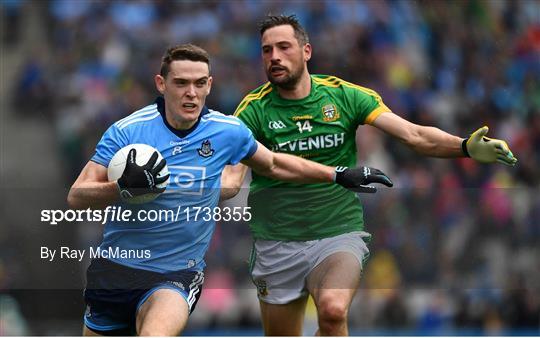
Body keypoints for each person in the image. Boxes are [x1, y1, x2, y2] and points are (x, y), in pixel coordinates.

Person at [67, 43, 392, 336]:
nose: (190, 93)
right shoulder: (126, 132)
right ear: (161, 85)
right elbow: (77, 195)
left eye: (199, 83)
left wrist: (337, 174)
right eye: (181, 83)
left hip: (176, 274)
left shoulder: (228, 132)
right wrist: (123, 187)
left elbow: (275, 163)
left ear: (209, 85)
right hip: (117, 269)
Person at [224, 15, 518, 336]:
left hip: (337, 232)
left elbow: (414, 135)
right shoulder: (251, 110)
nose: (275, 57)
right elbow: (232, 177)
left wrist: (464, 147)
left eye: (284, 47)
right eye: (267, 50)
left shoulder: (344, 96)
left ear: (307, 51)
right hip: (276, 241)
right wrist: (200, 186)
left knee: (333, 311)